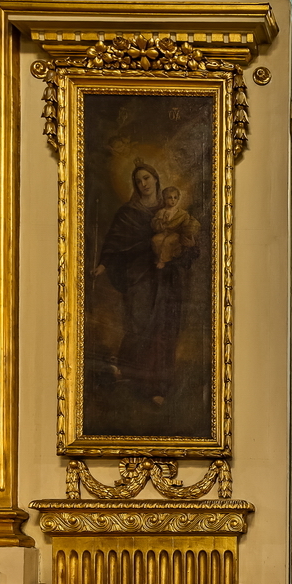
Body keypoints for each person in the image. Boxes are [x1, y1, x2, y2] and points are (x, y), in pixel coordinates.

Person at [91, 162, 197, 409]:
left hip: (166, 280)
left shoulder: (172, 211)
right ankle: (132, 376)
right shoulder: (127, 213)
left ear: (156, 180)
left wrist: (186, 247)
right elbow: (115, 244)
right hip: (138, 278)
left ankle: (157, 387)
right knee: (138, 324)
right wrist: (102, 266)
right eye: (138, 181)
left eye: (147, 178)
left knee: (163, 330)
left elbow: (187, 242)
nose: (143, 184)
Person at [151, 185, 198, 271]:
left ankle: (163, 261)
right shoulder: (161, 212)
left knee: (168, 241)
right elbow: (155, 225)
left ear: (178, 199)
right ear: (165, 199)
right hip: (164, 233)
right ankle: (158, 257)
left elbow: (188, 225)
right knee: (156, 239)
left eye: (175, 198)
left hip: (176, 234)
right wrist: (162, 222)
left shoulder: (182, 214)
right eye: (170, 198)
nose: (173, 200)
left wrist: (188, 233)